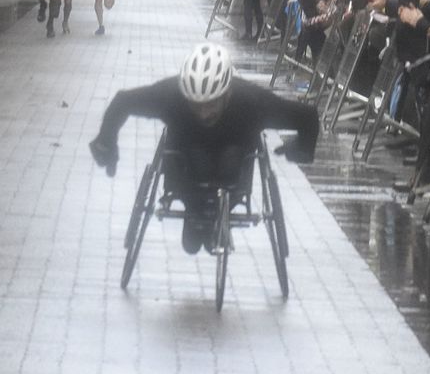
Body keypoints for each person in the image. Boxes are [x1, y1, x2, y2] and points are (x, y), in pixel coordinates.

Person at [88, 44, 319, 254]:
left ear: (227, 94)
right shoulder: (171, 96)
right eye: (195, 105)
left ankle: (217, 217)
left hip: (233, 168)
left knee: (230, 160)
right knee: (197, 160)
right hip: (187, 165)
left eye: (211, 104)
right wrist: (106, 142)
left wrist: (300, 149)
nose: (203, 113)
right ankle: (195, 213)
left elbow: (306, 118)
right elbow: (123, 102)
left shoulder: (251, 102)